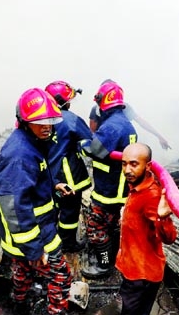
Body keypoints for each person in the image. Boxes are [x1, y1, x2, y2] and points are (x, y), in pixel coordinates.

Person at [0, 87, 80, 315]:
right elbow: (14, 207)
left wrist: (53, 186)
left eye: (50, 121)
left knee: (22, 275)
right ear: (24, 121)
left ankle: (19, 309)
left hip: (29, 234)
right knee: (61, 277)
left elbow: (28, 186)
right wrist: (34, 249)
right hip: (34, 236)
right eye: (40, 123)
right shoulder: (19, 154)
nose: (47, 127)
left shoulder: (31, 144)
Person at [111, 143, 178, 315]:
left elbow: (170, 237)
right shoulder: (136, 186)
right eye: (124, 163)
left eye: (134, 164)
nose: (127, 169)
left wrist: (164, 216)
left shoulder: (151, 195)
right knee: (134, 314)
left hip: (142, 273)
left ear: (147, 166)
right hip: (132, 265)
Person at [80, 80, 138, 279]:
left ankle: (104, 265)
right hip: (119, 187)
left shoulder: (111, 127)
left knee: (96, 226)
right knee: (111, 225)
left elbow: (95, 150)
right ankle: (110, 256)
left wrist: (83, 142)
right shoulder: (125, 123)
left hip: (109, 190)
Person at [44, 80, 93, 252]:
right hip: (69, 175)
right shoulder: (71, 119)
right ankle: (68, 244)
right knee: (70, 211)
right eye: (68, 99)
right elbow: (90, 145)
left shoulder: (41, 119)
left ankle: (52, 239)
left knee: (53, 207)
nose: (70, 102)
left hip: (49, 174)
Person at [89, 79, 171, 150]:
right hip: (104, 144)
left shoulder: (124, 107)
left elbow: (141, 122)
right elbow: (92, 131)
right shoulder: (95, 110)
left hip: (121, 145)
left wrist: (159, 136)